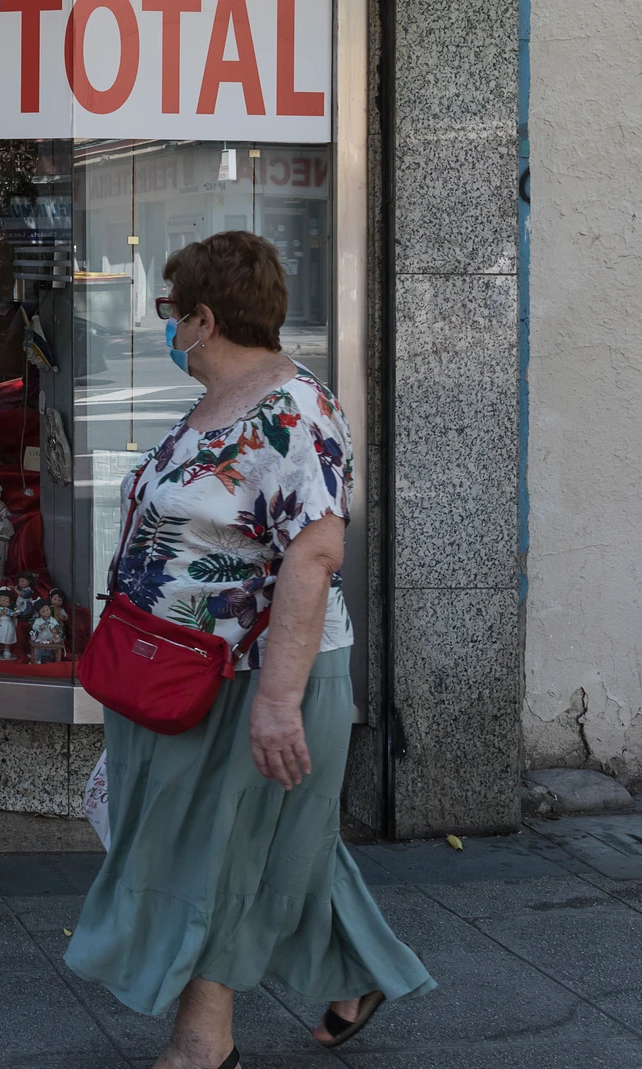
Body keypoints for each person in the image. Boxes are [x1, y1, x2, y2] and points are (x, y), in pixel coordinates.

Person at [65, 232, 432, 1069]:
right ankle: (358, 967)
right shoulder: (213, 406)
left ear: (204, 318)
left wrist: (277, 700)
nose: (167, 328)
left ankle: (204, 1046)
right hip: (177, 667)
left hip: (250, 673)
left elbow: (314, 552)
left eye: (171, 313)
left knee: (214, 850)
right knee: (267, 840)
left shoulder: (297, 410)